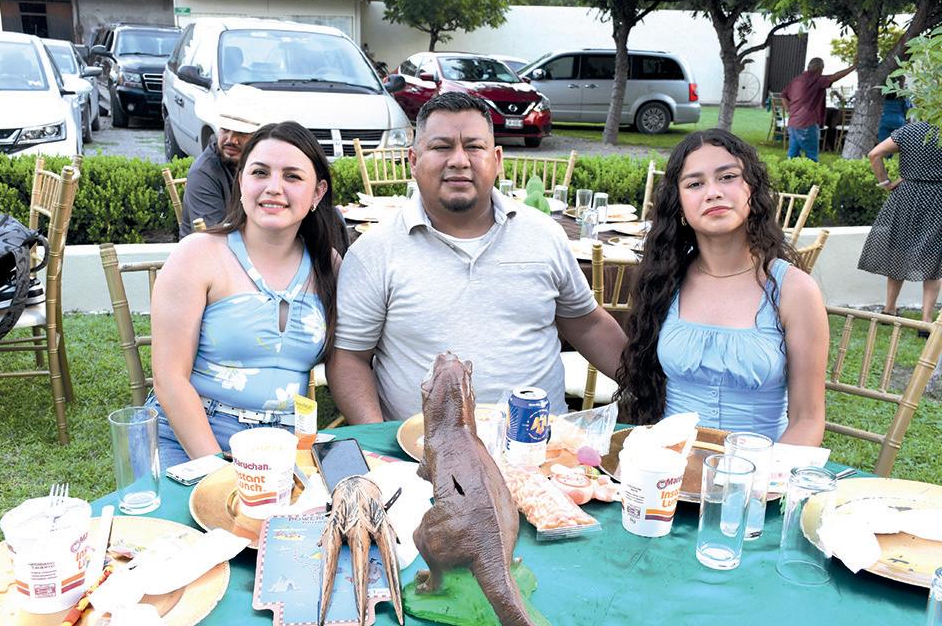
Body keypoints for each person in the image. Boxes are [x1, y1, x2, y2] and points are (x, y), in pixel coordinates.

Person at [328, 92, 625, 423]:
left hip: (538, 444)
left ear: (496, 159)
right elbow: (350, 357)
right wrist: (378, 439)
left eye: (473, 146)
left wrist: (652, 388)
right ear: (413, 160)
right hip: (419, 448)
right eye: (441, 147)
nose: (459, 160)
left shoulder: (544, 235)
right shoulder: (375, 251)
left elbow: (587, 324)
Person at [615, 129, 828, 445]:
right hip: (667, 465)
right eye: (695, 184)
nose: (713, 192)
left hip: (760, 468)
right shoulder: (663, 281)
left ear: (751, 188)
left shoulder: (795, 291)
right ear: (679, 205)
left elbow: (807, 420)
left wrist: (759, 473)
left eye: (727, 177)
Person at [151, 121, 341, 467]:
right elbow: (169, 379)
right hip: (192, 434)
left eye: (292, 176)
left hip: (284, 443)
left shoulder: (328, 265)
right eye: (259, 172)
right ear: (241, 182)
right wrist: (216, 470)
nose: (273, 188)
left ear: (317, 193)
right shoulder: (197, 255)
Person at [858, 121, 942, 336]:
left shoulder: (909, 131)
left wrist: (885, 183)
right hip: (938, 198)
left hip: (906, 197)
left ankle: (889, 310)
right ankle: (926, 321)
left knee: (899, 251)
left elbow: (874, 154)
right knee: (934, 258)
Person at [179, 110, 260, 237]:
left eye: (241, 133)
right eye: (225, 129)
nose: (231, 140)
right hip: (212, 246)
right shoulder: (203, 173)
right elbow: (213, 235)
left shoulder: (258, 164)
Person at [781, 57, 855, 161]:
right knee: (811, 156)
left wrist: (789, 110)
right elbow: (834, 77)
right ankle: (811, 171)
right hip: (807, 122)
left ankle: (790, 170)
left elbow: (783, 95)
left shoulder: (797, 80)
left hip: (793, 122)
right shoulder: (816, 79)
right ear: (820, 69)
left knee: (793, 155)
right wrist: (853, 67)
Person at [877, 77, 911, 143]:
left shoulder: (883, 95)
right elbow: (907, 111)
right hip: (899, 121)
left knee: (884, 145)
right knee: (900, 145)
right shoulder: (903, 96)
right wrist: (909, 126)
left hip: (884, 121)